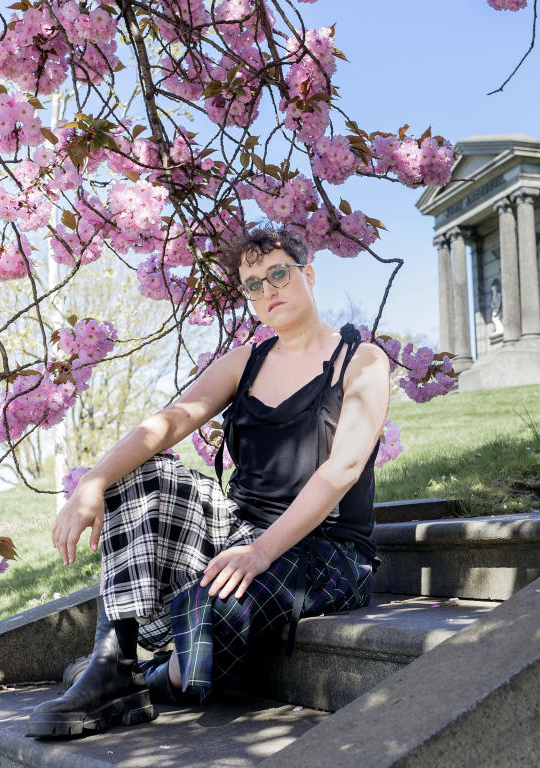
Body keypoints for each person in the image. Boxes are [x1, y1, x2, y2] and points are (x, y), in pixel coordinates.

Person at [25, 226, 390, 737]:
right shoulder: (247, 361)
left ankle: (150, 680)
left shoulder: (362, 361)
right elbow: (171, 421)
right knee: (138, 470)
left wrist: (260, 552)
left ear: (307, 274)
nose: (268, 291)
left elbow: (342, 469)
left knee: (209, 609)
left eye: (278, 274)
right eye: (253, 285)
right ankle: (112, 659)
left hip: (324, 550)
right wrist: (93, 481)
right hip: (239, 530)